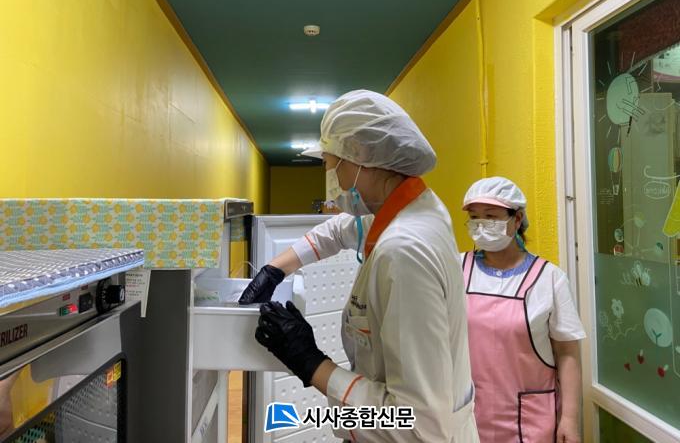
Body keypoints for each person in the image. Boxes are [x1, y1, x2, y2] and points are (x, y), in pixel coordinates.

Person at [239, 89, 479, 442]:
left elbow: (418, 425)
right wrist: (276, 268)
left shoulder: (404, 252)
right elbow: (338, 230)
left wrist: (311, 363)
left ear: (361, 156)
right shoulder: (411, 208)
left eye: (331, 164)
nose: (331, 177)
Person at [461, 177, 585, 443]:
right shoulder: (457, 268)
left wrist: (570, 419)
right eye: (474, 217)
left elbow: (568, 353)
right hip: (469, 414)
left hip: (530, 421)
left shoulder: (549, 278)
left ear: (517, 219)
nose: (481, 225)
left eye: (490, 216)